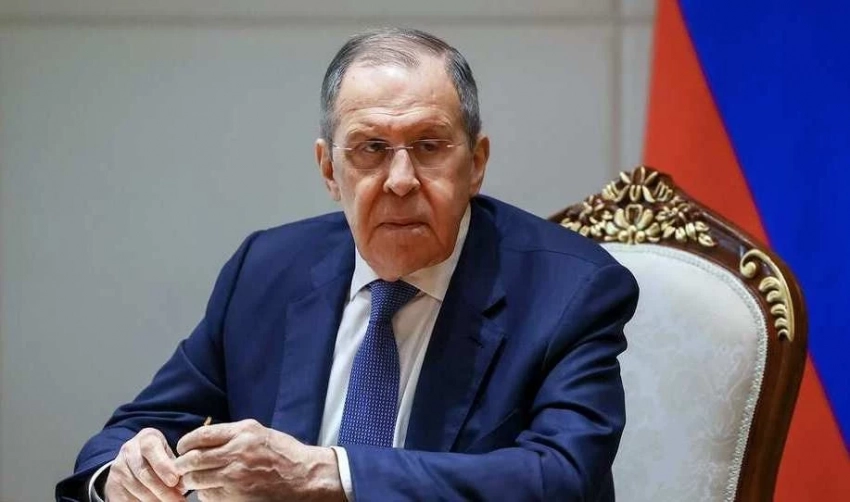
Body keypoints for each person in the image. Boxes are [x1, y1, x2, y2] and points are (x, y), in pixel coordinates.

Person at [56, 28, 638, 502]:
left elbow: (562, 478)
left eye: (430, 146)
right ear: (329, 170)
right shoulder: (267, 269)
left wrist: (329, 473)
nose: (402, 180)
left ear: (476, 163)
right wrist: (122, 476)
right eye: (371, 149)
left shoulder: (571, 290)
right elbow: (133, 430)